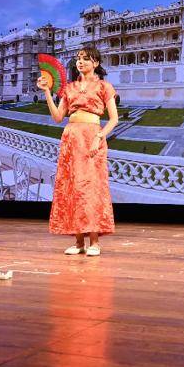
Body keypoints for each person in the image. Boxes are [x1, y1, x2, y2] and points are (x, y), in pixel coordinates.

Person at [38, 47, 118, 256]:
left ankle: (94, 242)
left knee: (91, 188)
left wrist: (99, 137)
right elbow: (58, 117)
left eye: (85, 59)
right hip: (71, 138)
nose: (80, 62)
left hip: (92, 137)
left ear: (96, 63)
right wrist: (46, 91)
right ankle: (79, 241)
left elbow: (114, 119)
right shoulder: (69, 88)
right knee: (72, 186)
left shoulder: (104, 86)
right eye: (78, 58)